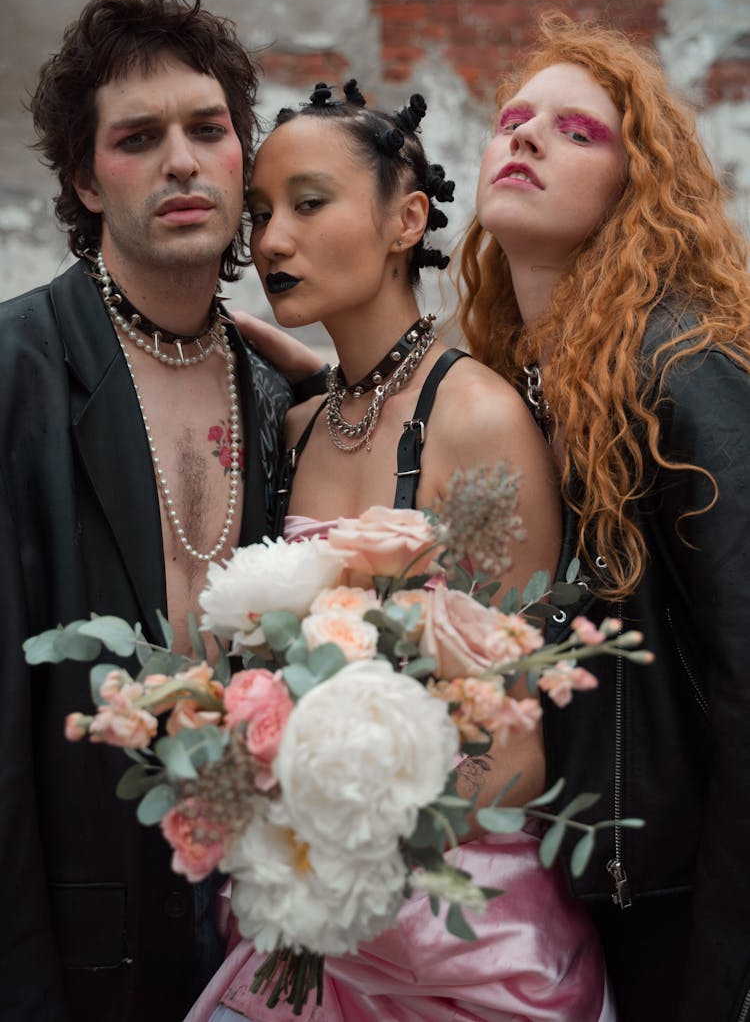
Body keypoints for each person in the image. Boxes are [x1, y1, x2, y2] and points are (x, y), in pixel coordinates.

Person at [186, 82, 615, 1021]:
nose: (269, 241)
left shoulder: (478, 418)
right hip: (300, 919)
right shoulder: (293, 425)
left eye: (308, 202)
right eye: (258, 214)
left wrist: (342, 827)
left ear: (405, 218)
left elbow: (516, 748)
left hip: (455, 932)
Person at [0, 0, 297, 1022]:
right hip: (81, 946)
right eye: (138, 137)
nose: (180, 159)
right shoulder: (17, 375)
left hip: (259, 933)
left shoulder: (279, 393)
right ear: (85, 180)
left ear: (239, 157)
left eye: (207, 130)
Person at [456, 12, 750, 1021]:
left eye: (579, 132)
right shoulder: (510, 379)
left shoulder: (681, 368)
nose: (527, 137)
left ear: (637, 190)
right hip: (570, 876)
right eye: (514, 118)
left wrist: (724, 965)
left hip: (679, 897)